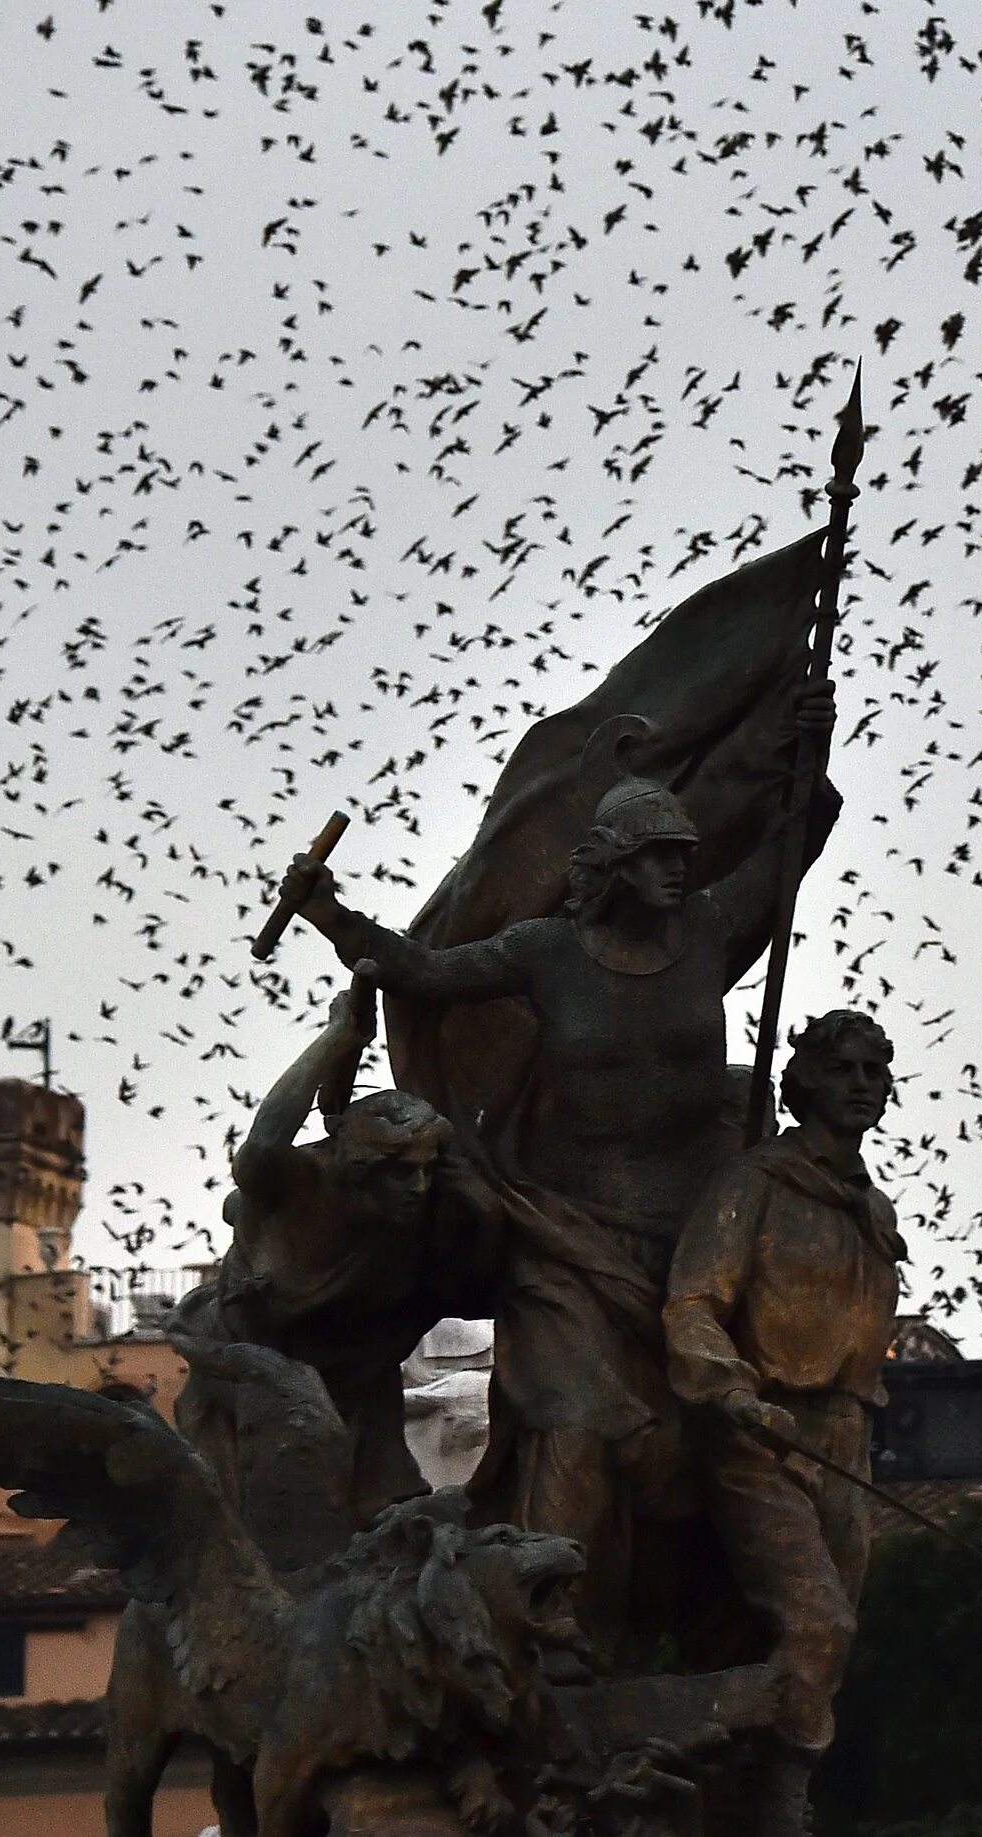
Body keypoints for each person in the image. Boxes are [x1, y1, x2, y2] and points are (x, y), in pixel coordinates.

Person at [276, 684, 838, 1636]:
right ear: (613, 865)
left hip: (696, 1245)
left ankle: (769, 1628)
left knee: (742, 1435)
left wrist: (810, 751)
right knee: (575, 1422)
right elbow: (424, 973)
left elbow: (793, 851)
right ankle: (552, 1626)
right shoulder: (548, 951)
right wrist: (331, 914)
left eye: (683, 856)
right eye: (658, 856)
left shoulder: (710, 930)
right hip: (565, 1235)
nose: (677, 869)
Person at [665, 1009, 904, 1835]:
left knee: (794, 1642)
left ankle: (717, 1782)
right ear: (803, 1083)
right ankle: (779, 1797)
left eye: (875, 1070)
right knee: (819, 1622)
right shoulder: (753, 1183)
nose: (861, 1085)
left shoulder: (875, 1211)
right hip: (761, 1433)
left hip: (848, 1441)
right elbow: (694, 1300)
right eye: (843, 1069)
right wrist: (727, 1387)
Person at [174, 982, 495, 1561]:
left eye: (426, 1172)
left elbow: (483, 1292)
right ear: (359, 1169)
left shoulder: (420, 1228)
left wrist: (485, 1209)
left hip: (358, 1390)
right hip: (248, 1379)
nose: (417, 1188)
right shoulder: (297, 1185)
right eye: (400, 1174)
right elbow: (264, 1140)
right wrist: (339, 1038)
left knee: (382, 1535)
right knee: (257, 1544)